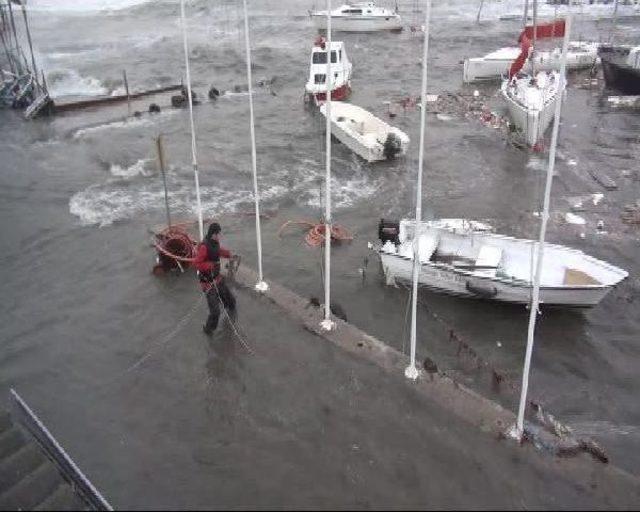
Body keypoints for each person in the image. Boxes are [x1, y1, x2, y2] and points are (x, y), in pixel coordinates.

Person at [194, 222, 237, 336]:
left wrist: (228, 254)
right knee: (215, 312)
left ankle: (230, 316)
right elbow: (197, 263)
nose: (220, 235)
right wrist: (210, 265)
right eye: (219, 233)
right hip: (208, 284)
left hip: (217, 278)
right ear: (214, 234)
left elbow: (218, 251)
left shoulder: (215, 242)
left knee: (231, 301)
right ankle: (208, 329)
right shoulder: (203, 247)